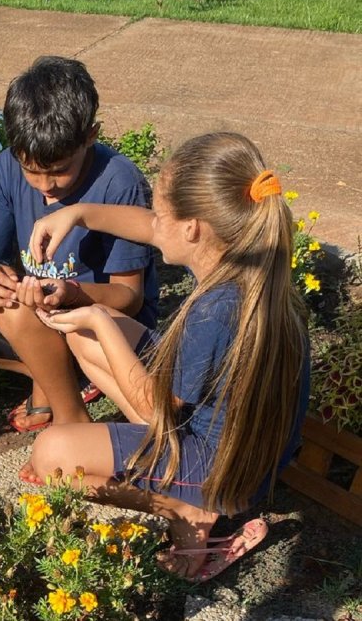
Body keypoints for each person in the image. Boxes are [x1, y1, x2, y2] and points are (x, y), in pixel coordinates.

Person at [22, 132, 309, 582]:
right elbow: (146, 226)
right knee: (86, 332)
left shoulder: (216, 311)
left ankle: (183, 507)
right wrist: (76, 214)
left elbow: (155, 408)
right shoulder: (249, 262)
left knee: (52, 455)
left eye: (160, 215)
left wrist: (98, 317)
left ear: (192, 228)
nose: (152, 224)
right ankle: (155, 468)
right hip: (238, 440)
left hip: (225, 471)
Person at [0, 56, 158, 430]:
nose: (44, 185)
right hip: (33, 318)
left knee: (17, 309)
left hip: (98, 328)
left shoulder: (119, 181)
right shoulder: (9, 166)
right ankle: (49, 376)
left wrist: (72, 292)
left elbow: (130, 297)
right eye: (32, 171)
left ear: (90, 136)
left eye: (59, 171)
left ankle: (71, 419)